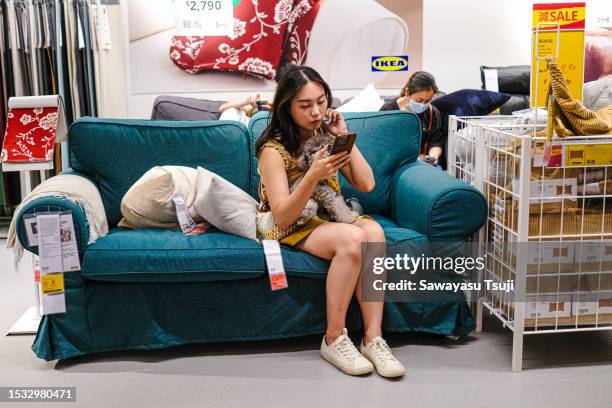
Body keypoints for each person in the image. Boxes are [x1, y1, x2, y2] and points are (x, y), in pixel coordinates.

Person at [255, 65, 405, 378]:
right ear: (287, 107)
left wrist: (343, 136)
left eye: (321, 102)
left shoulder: (327, 135)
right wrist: (312, 175)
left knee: (374, 231)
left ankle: (373, 338)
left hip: (330, 216)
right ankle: (334, 337)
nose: (316, 112)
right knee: (352, 240)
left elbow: (366, 184)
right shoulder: (273, 150)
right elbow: (282, 216)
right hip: (294, 222)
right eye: (305, 105)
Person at [380, 71, 445, 168]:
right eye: (419, 100)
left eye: (428, 101)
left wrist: (433, 157)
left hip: (423, 165)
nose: (423, 105)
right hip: (394, 164)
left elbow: (436, 141)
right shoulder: (388, 110)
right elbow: (382, 143)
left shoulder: (432, 113)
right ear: (407, 92)